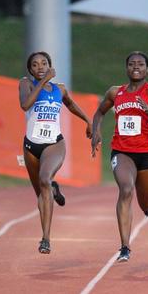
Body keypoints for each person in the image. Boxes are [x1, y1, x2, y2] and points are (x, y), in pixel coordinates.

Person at [90, 51, 148, 262]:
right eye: (132, 64)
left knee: (146, 205)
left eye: (141, 64)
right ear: (126, 68)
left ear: (147, 69)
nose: (136, 66)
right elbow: (99, 112)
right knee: (126, 189)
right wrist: (96, 130)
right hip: (122, 151)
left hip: (147, 153)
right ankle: (125, 246)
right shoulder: (115, 92)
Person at [19, 51, 92, 254]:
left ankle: (45, 239)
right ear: (30, 70)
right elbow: (25, 104)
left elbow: (70, 104)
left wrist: (88, 121)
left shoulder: (59, 89)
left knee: (44, 179)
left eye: (44, 63)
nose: (40, 67)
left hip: (54, 144)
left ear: (50, 66)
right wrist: (43, 82)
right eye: (35, 65)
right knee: (41, 195)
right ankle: (53, 189)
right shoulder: (26, 84)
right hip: (31, 145)